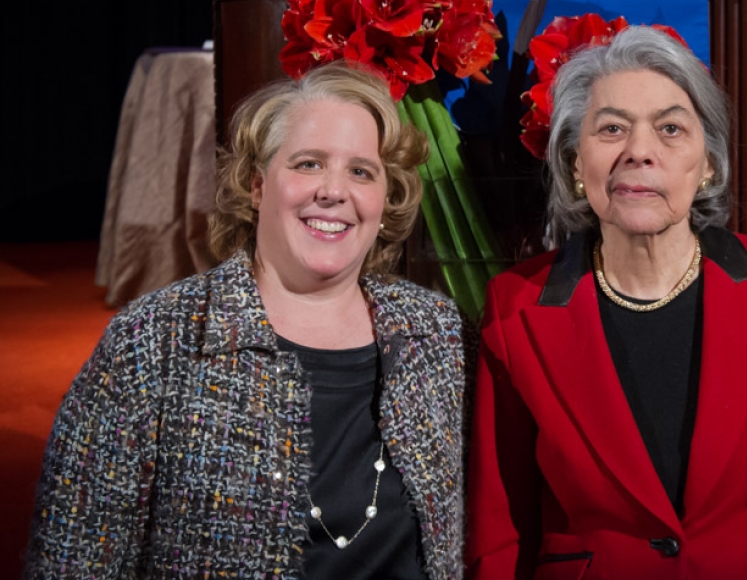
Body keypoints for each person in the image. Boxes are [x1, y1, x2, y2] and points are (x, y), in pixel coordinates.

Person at [24, 62, 471, 580]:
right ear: (257, 186)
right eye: (308, 164)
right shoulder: (152, 342)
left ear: (384, 198)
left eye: (361, 171)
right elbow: (71, 560)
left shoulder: (438, 336)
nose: (333, 190)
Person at [467, 26, 747, 580]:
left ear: (707, 163)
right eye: (611, 128)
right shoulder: (515, 307)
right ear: (573, 162)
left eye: (670, 129)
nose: (640, 152)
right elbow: (502, 529)